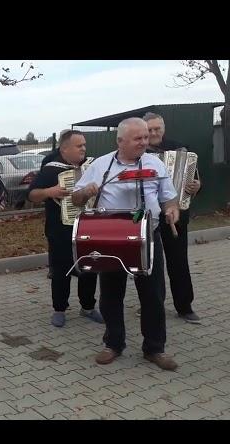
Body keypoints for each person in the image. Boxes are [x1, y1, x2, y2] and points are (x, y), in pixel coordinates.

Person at [72, 118, 180, 371]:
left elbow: (169, 197)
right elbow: (76, 199)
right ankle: (113, 344)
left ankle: (154, 349)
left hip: (148, 235)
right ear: (120, 141)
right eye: (138, 138)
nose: (145, 142)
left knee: (153, 295)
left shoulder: (155, 164)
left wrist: (172, 209)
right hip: (111, 239)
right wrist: (86, 192)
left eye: (146, 137)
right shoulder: (100, 165)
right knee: (111, 295)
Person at [27, 130, 103, 327]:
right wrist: (48, 191)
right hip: (60, 229)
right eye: (79, 146)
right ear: (65, 149)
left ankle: (87, 307)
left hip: (88, 226)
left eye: (84, 145)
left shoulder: (91, 167)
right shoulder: (51, 170)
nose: (84, 149)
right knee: (61, 270)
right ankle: (59, 309)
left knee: (89, 267)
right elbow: (32, 195)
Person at [143, 112, 202, 323]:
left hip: (176, 214)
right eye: (149, 129)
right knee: (148, 264)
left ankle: (184, 306)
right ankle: (151, 304)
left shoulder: (180, 148)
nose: (153, 133)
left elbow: (195, 180)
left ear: (163, 128)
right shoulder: (138, 152)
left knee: (178, 261)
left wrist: (196, 186)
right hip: (147, 216)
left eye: (157, 128)